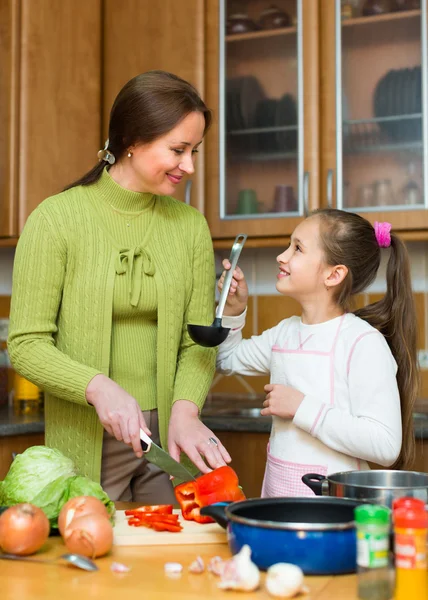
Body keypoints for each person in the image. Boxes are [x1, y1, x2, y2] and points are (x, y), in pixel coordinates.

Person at [8, 70, 231, 503]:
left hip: (168, 442)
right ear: (132, 140)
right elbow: (26, 344)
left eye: (195, 151)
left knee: (168, 565)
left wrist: (185, 410)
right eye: (178, 150)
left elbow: (198, 340)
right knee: (91, 560)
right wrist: (97, 387)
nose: (189, 166)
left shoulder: (190, 227)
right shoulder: (56, 220)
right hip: (87, 437)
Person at [217, 209, 417, 497]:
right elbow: (226, 359)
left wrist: (302, 407)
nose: (282, 256)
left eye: (297, 248)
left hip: (335, 511)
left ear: (334, 274)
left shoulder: (362, 342)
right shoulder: (284, 333)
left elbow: (385, 445)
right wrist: (233, 312)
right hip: (278, 499)